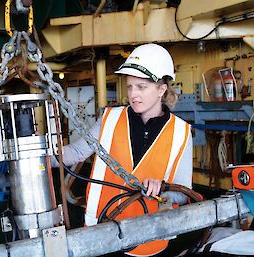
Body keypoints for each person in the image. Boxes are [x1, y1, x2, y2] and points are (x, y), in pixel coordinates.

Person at [53, 43, 193, 257]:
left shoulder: (181, 132)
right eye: (130, 87)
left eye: (141, 87)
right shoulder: (110, 119)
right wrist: (36, 155)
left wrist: (163, 189)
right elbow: (76, 153)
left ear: (161, 90)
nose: (133, 94)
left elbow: (184, 194)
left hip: (150, 240)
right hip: (104, 235)